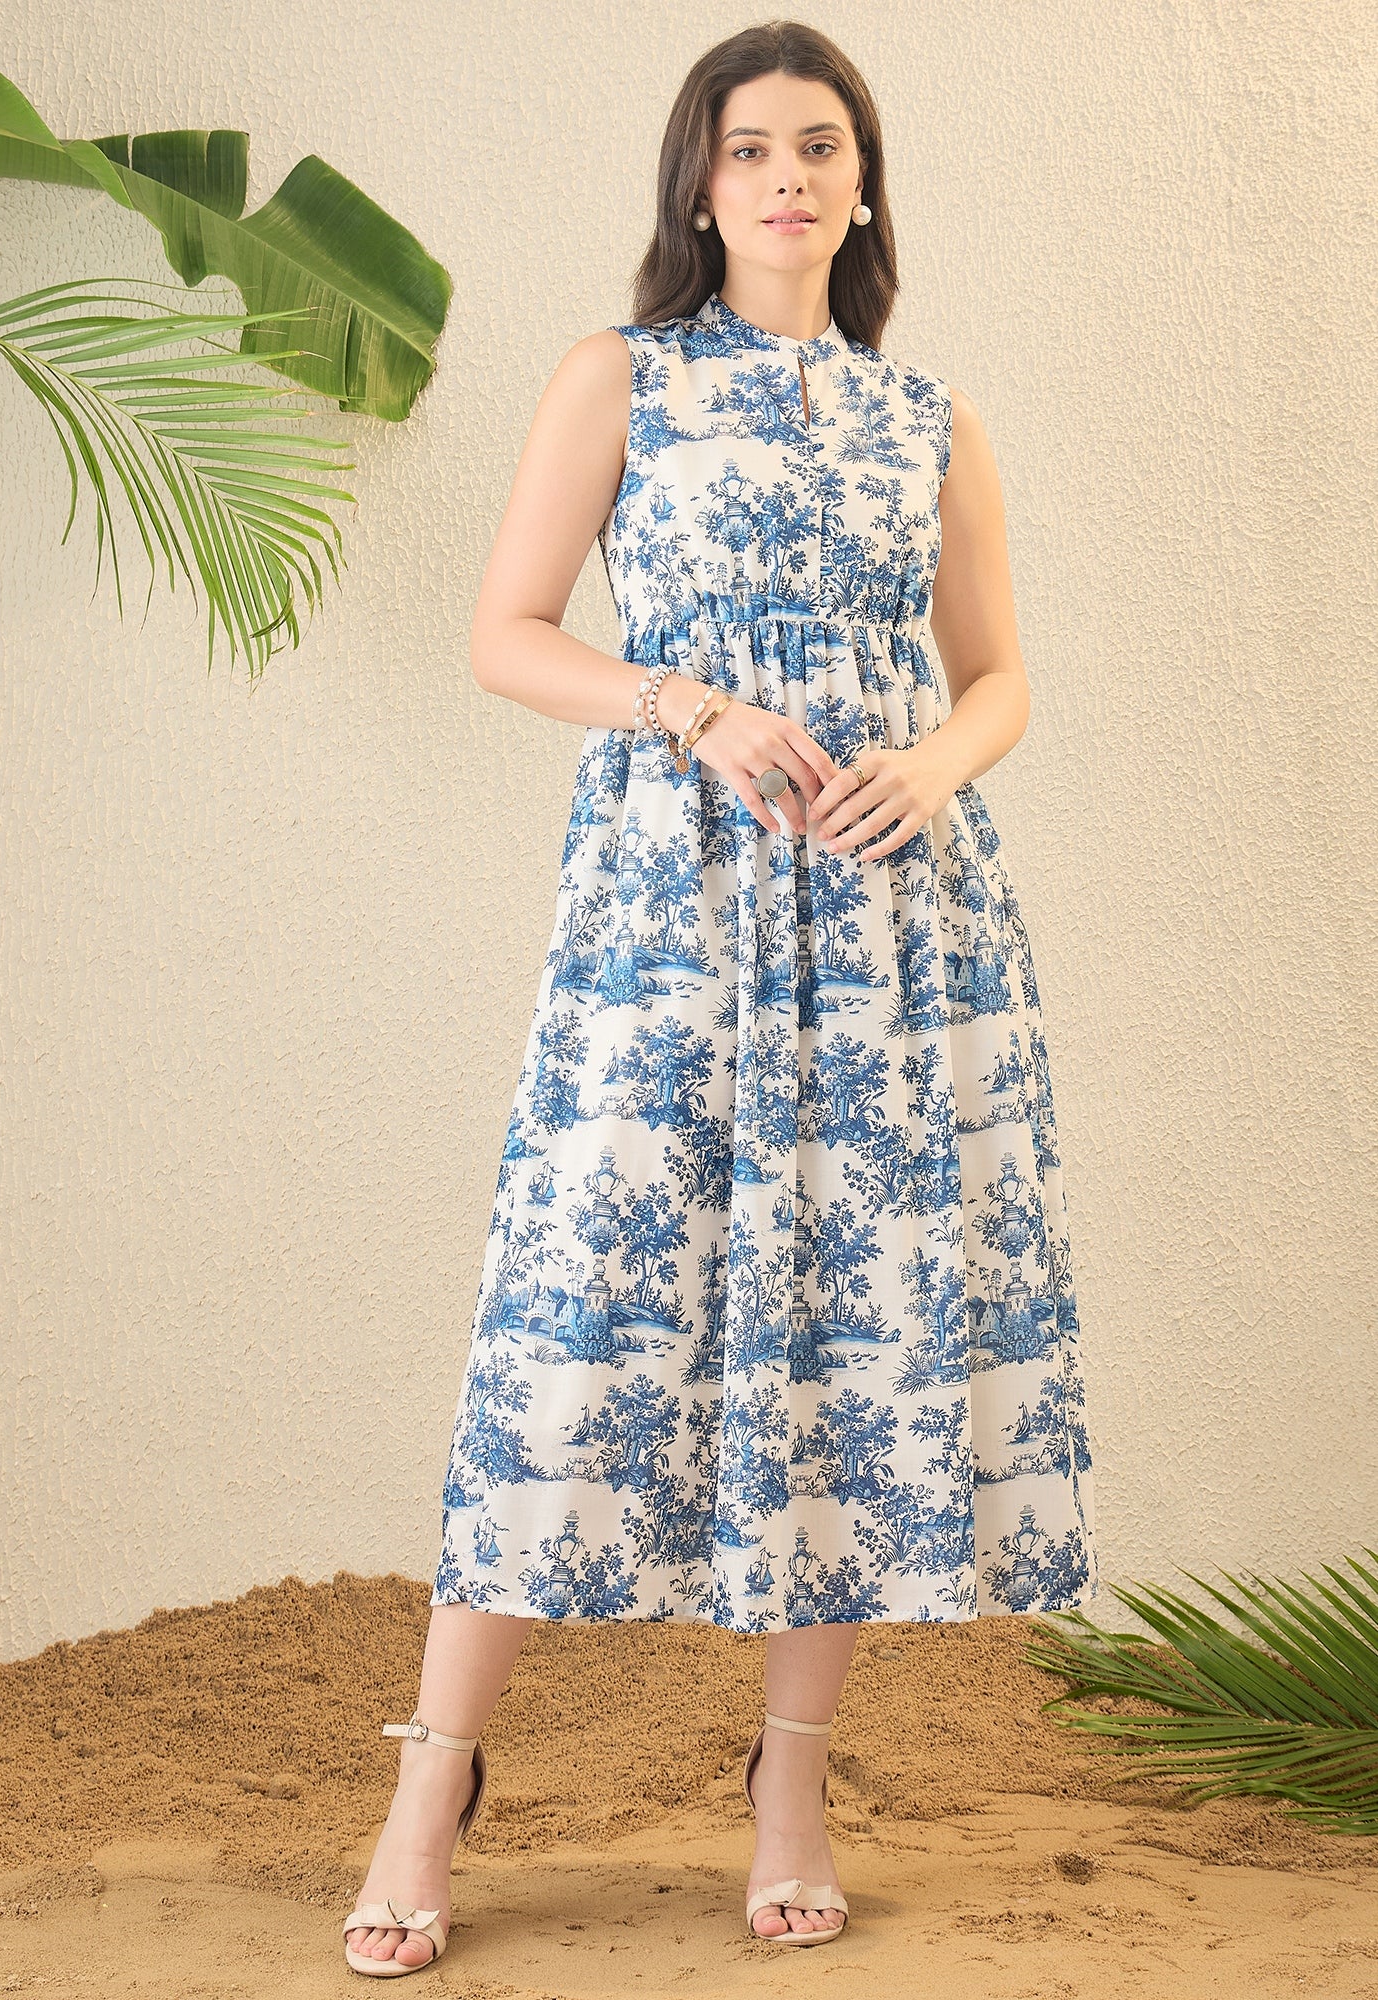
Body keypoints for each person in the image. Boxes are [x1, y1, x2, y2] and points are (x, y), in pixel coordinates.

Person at [342, 17, 1097, 1978]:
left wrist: (938, 763)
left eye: (819, 145)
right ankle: (431, 1778)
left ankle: (790, 1777)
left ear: (861, 183)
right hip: (669, 912)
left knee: (849, 1339)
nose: (784, 175)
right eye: (748, 145)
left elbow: (999, 672)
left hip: (891, 929)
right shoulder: (626, 378)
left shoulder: (932, 416)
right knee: (565, 1331)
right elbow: (508, 635)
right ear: (701, 182)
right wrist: (682, 699)